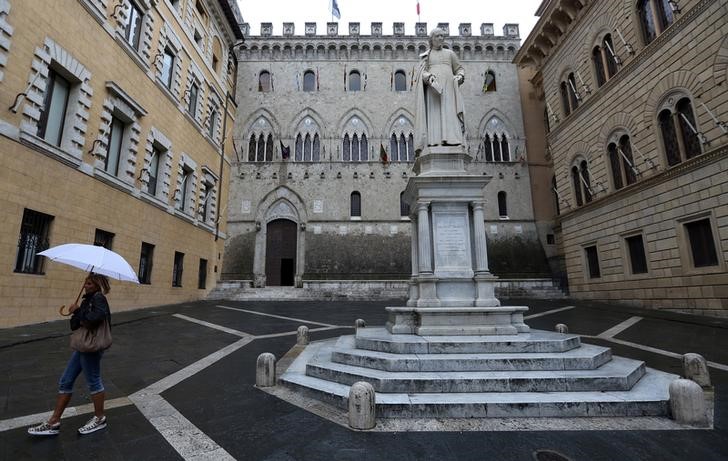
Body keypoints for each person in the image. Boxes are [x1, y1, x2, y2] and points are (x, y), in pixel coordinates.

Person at [28, 273, 112, 436]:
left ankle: (100, 418)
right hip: (82, 345)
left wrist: (79, 311)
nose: (86, 285)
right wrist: (75, 312)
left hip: (91, 346)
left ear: (97, 285)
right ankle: (54, 422)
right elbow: (75, 325)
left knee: (94, 381)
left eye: (89, 283)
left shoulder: (99, 298)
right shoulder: (87, 299)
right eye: (85, 283)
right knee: (65, 381)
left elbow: (95, 318)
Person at [414, 27, 466, 155]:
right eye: (437, 36)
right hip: (433, 91)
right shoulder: (427, 55)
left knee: (450, 113)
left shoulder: (450, 54)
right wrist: (428, 78)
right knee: (434, 115)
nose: (440, 39)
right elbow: (421, 72)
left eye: (442, 36)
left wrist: (460, 76)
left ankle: (452, 140)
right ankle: (434, 141)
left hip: (449, 90)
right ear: (431, 39)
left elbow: (459, 69)